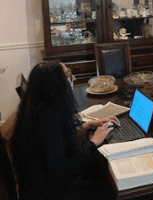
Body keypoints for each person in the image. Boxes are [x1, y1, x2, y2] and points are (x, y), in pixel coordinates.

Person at [10, 60, 120, 200]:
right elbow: (65, 169)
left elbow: (57, 140)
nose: (71, 78)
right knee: (108, 182)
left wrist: (87, 124)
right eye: (67, 74)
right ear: (54, 84)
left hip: (42, 184)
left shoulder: (38, 108)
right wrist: (93, 141)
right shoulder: (48, 119)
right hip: (51, 192)